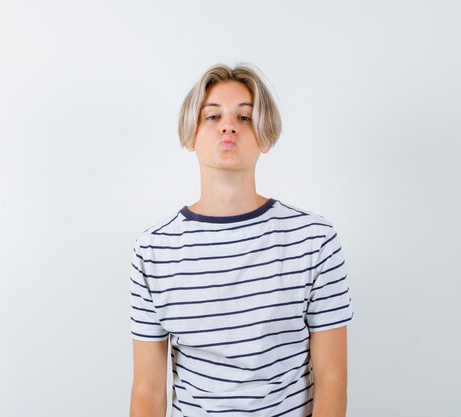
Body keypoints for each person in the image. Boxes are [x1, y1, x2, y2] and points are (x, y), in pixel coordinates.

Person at [128, 63, 353, 417]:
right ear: (190, 135)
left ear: (266, 136)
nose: (229, 126)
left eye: (245, 117)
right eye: (212, 116)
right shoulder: (154, 249)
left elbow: (332, 377)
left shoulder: (314, 240)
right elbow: (147, 389)